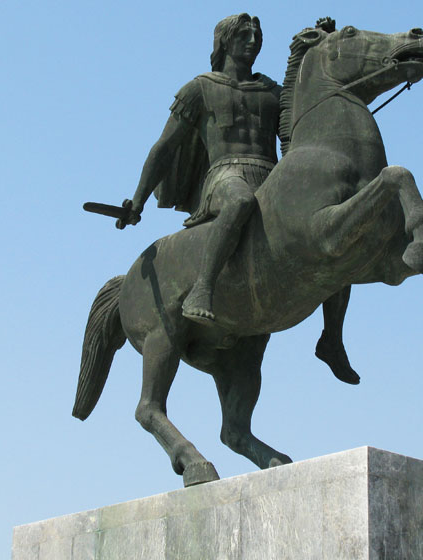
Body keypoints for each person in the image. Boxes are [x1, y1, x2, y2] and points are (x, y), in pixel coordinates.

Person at [120, 13, 360, 384]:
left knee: (335, 233)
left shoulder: (273, 91)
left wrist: (323, 43)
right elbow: (164, 148)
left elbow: (308, 105)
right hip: (225, 177)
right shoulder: (199, 89)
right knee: (240, 203)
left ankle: (332, 337)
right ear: (225, 42)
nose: (253, 40)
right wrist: (137, 201)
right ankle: (202, 288)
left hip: (272, 176)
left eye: (257, 34)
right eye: (244, 34)